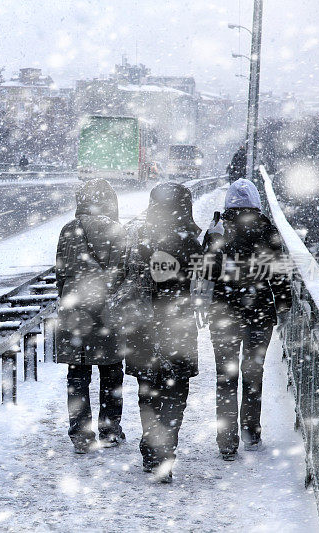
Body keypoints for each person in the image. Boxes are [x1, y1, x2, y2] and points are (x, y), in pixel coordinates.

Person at [117, 182, 203, 482]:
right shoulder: (191, 241)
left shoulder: (139, 236)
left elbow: (123, 276)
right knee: (176, 390)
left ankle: (152, 448)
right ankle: (165, 450)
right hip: (177, 328)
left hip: (143, 326)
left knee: (148, 391)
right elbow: (200, 281)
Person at [203, 178, 291, 460]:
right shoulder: (268, 230)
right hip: (260, 312)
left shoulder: (217, 230)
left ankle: (226, 442)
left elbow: (207, 273)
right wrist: (285, 303)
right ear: (256, 202)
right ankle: (251, 433)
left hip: (223, 313)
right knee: (253, 374)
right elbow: (279, 274)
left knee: (225, 377)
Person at [55, 179, 126, 454]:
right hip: (108, 310)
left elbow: (61, 273)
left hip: (75, 310)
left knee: (77, 373)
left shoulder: (69, 230)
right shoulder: (118, 231)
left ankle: (81, 436)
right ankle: (110, 430)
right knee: (111, 373)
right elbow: (124, 273)